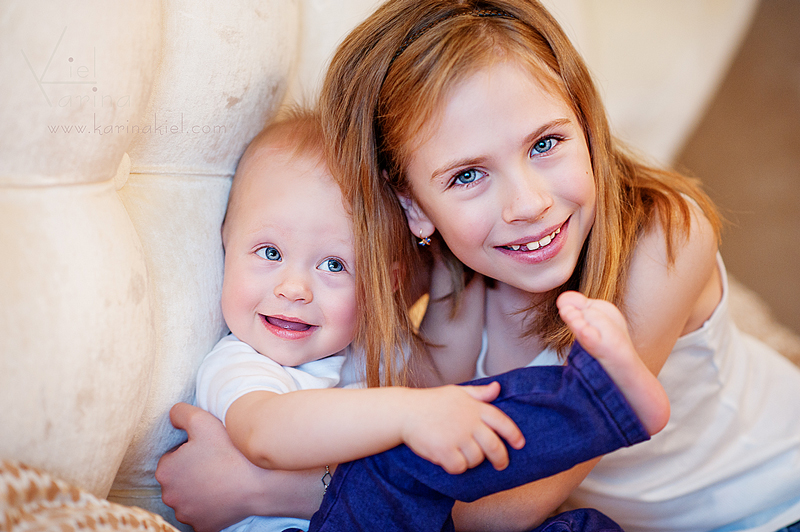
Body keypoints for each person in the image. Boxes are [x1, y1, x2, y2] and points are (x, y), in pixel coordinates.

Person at [158, 1, 800, 531]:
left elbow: (507, 511)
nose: (528, 204)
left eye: (545, 143)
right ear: (413, 206)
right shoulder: (453, 273)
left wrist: (266, 488)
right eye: (468, 175)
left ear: (585, 121)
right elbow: (430, 433)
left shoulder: (663, 237)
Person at [186, 107, 668, 532]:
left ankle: (607, 407)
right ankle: (602, 407)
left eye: (334, 265)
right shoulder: (243, 364)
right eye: (269, 252)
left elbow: (450, 398)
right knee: (401, 459)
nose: (294, 289)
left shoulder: (377, 350)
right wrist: (410, 415)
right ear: (227, 241)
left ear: (384, 283)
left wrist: (432, 408)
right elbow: (265, 433)